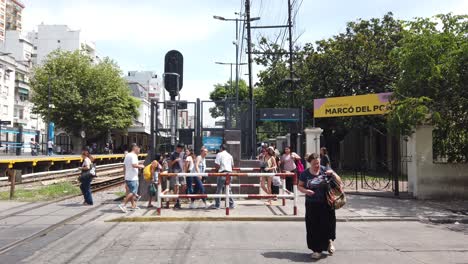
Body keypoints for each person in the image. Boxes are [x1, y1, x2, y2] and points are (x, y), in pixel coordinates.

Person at [298, 153, 343, 259]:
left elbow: (339, 181)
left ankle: (329, 242)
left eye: (318, 163)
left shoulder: (325, 170)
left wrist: (332, 173)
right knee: (313, 227)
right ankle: (316, 250)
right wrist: (306, 191)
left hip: (326, 203)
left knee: (327, 226)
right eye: (314, 164)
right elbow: (299, 186)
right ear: (310, 163)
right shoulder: (305, 174)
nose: (317, 165)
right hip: (312, 204)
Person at [118, 144, 144, 213]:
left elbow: (124, 166)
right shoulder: (134, 155)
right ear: (135, 148)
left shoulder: (127, 155)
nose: (139, 150)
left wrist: (125, 175)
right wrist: (141, 166)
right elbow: (134, 165)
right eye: (139, 148)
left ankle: (133, 206)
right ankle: (123, 204)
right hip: (133, 177)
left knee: (130, 192)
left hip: (128, 176)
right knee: (133, 192)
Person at [211, 144, 235, 209]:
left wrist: (216, 171)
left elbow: (217, 165)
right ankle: (231, 204)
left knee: (219, 189)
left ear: (221, 148)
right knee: (229, 189)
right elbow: (232, 166)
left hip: (222, 173)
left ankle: (217, 205)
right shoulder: (230, 155)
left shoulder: (219, 154)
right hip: (229, 174)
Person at [169, 143, 186, 209]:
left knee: (184, 185)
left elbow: (184, 163)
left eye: (182, 148)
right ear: (177, 148)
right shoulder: (173, 154)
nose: (181, 150)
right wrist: (175, 160)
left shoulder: (183, 154)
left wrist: (185, 171)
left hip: (182, 171)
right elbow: (170, 164)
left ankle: (179, 198)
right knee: (176, 186)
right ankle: (176, 201)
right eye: (180, 148)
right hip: (175, 171)